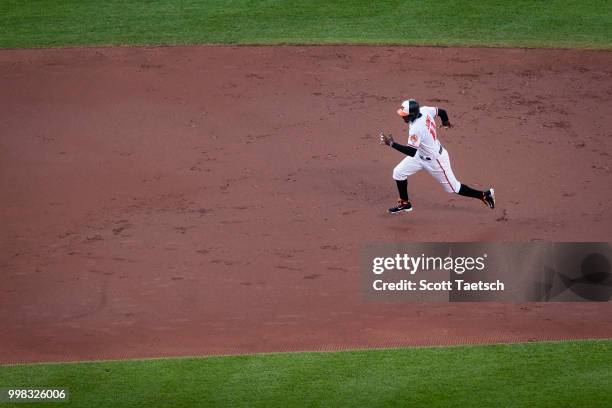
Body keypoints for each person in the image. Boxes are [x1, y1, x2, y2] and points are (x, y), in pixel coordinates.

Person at [380, 99, 495, 214]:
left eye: (405, 115)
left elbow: (411, 151)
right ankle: (405, 204)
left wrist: (391, 144)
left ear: (413, 114)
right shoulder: (424, 110)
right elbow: (442, 112)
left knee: (454, 188)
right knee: (398, 173)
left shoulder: (416, 128)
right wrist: (446, 122)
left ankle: (484, 195)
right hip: (420, 155)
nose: (403, 117)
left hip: (435, 161)